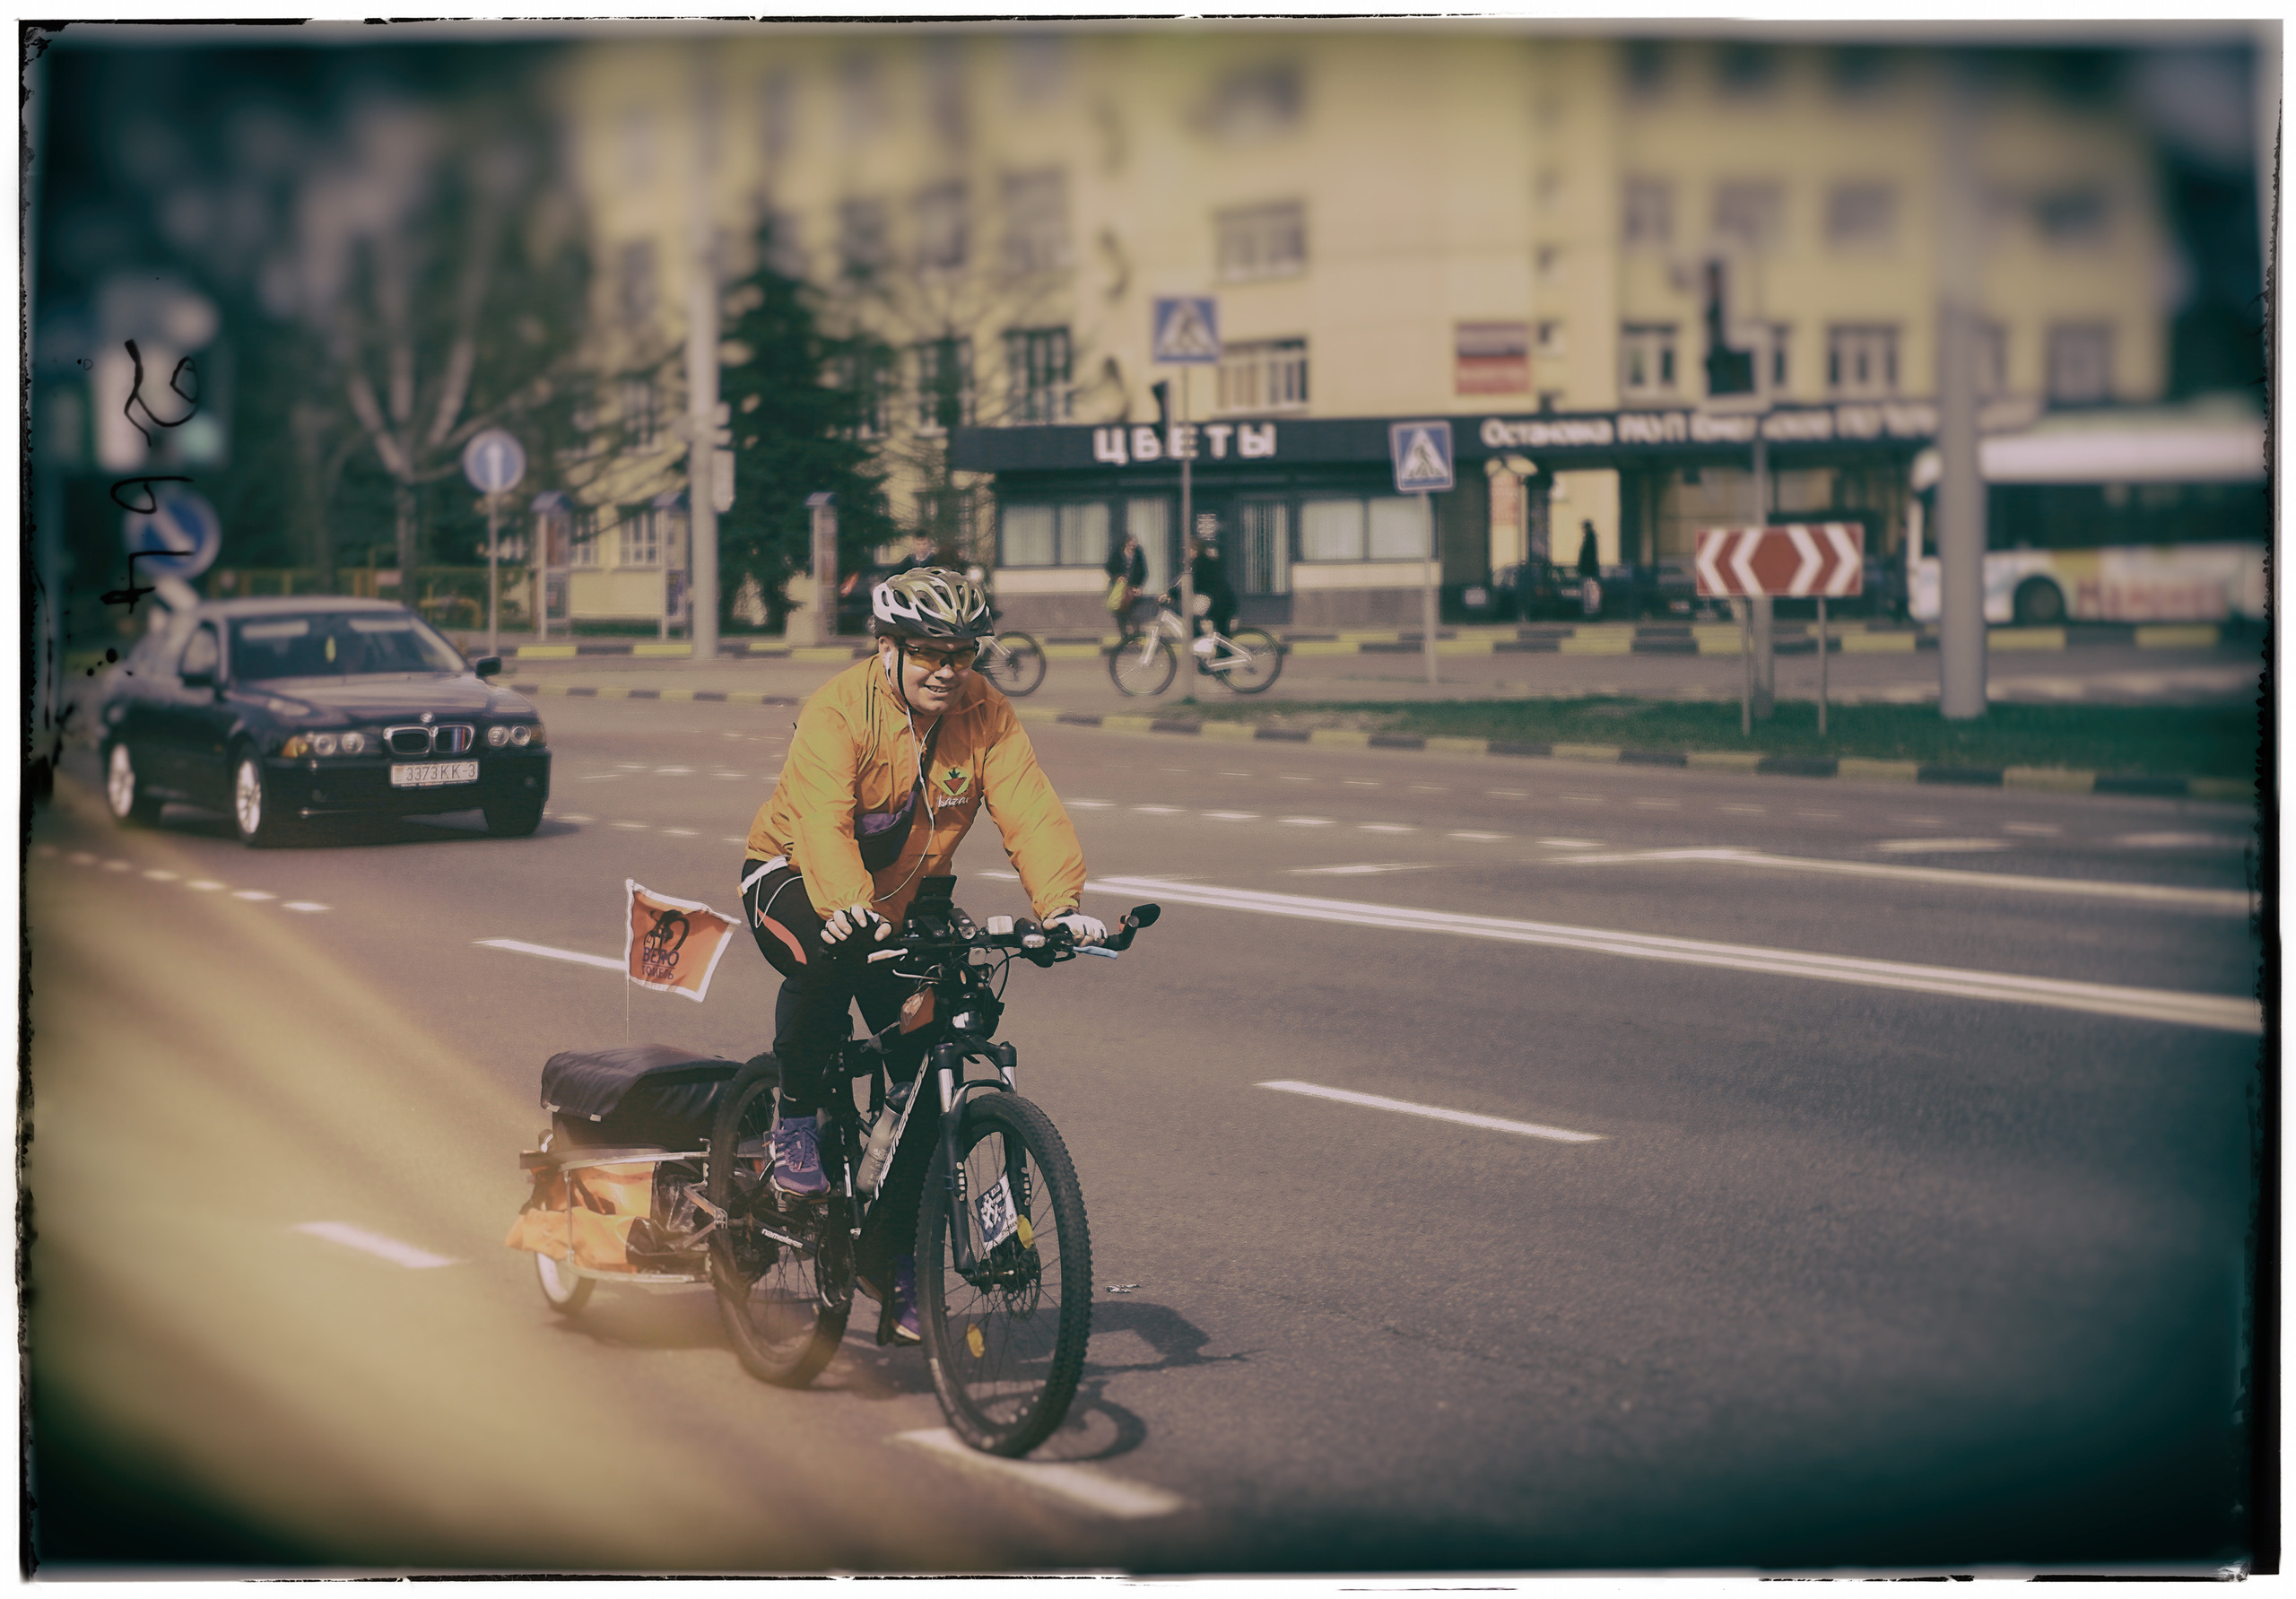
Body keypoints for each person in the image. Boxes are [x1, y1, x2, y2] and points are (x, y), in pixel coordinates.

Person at [735, 567, 1101, 1344]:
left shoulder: (985, 713)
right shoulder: (841, 709)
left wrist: (1060, 908)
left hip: (899, 902)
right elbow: (824, 822)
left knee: (929, 1058)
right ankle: (795, 1119)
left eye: (961, 653)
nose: (946, 669)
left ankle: (889, 1255)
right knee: (827, 958)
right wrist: (843, 906)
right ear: (889, 646)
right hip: (795, 876)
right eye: (929, 652)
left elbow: (1030, 807)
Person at [1104, 533, 1148, 623]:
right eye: (1130, 545)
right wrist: (1117, 576)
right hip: (1119, 586)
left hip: (1131, 585)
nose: (1132, 547)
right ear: (1126, 544)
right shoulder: (1118, 553)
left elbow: (1143, 571)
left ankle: (1135, 632)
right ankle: (1124, 634)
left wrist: (1138, 586)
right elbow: (1109, 566)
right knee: (1118, 608)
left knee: (1131, 609)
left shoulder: (1138, 555)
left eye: (1134, 545)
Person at [1575, 519, 1604, 618]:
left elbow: (1588, 556)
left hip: (1589, 571)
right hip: (1590, 571)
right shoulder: (1590, 538)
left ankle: (1590, 613)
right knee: (1590, 592)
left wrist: (1583, 568)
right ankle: (1591, 612)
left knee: (1589, 593)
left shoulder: (1589, 539)